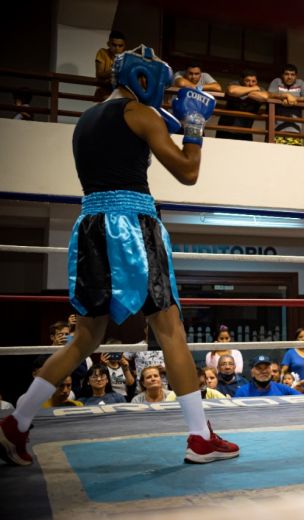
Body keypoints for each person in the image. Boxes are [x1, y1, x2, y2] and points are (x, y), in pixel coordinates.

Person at [0, 45, 238, 467]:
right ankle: (200, 437)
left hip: (91, 225)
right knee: (170, 332)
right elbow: (187, 172)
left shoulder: (86, 119)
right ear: (146, 80)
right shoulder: (139, 114)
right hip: (132, 228)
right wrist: (196, 126)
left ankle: (17, 420)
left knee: (86, 338)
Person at [215, 70, 267, 141]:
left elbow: (264, 97)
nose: (251, 84)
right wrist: (253, 89)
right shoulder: (236, 83)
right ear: (242, 81)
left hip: (245, 131)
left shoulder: (260, 89)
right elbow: (231, 91)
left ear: (257, 82)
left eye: (253, 81)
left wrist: (244, 92)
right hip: (226, 129)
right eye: (247, 81)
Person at [268, 63, 304, 146]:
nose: (289, 77)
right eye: (287, 74)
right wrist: (285, 95)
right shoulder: (277, 81)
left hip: (295, 129)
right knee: (278, 156)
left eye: (292, 75)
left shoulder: (300, 83)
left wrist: (294, 99)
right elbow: (269, 94)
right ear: (282, 75)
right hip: (277, 129)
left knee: (294, 157)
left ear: (296, 76)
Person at [234, 355, 301, 397]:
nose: (263, 371)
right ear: (252, 373)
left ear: (271, 371)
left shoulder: (282, 389)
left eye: (266, 368)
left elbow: (302, 400)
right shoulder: (242, 392)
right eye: (259, 368)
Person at [94, 30, 126, 100]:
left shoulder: (126, 57)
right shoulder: (102, 52)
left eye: (120, 46)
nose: (117, 48)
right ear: (108, 44)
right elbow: (100, 74)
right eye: (114, 45)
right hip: (103, 93)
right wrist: (116, 70)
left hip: (119, 94)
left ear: (124, 46)